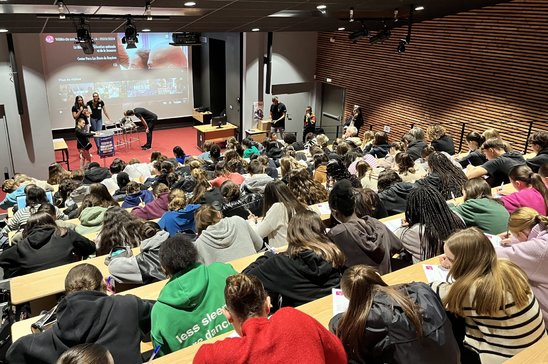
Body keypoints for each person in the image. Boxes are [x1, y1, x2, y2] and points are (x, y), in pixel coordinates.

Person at [431, 228, 546, 364]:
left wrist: (450, 271)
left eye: (450, 259)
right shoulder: (509, 268)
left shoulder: (475, 289)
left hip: (506, 357)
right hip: (536, 345)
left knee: (445, 317)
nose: (448, 262)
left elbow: (437, 291)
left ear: (463, 262)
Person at [7, 264, 154, 364]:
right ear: (104, 287)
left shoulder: (30, 345)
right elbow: (160, 311)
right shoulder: (129, 305)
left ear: (67, 293)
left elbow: (12, 354)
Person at [193, 273, 347, 364]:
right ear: (268, 304)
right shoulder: (293, 318)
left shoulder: (215, 354)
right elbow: (339, 356)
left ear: (228, 315)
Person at [330, 265, 460, 364]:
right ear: (377, 277)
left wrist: (342, 317)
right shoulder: (421, 288)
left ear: (350, 296)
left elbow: (341, 328)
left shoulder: (373, 318)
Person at [151, 234, 237, 356]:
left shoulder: (159, 312)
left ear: (164, 269)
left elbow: (162, 356)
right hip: (241, 352)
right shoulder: (223, 271)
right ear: (195, 255)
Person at [244, 210, 344, 311]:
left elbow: (246, 278)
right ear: (321, 230)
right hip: (333, 311)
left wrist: (269, 255)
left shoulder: (281, 262)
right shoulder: (334, 253)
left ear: (291, 234)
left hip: (300, 318)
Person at [327, 180, 402, 273]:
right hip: (386, 282)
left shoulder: (335, 234)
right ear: (354, 203)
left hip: (358, 286)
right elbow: (398, 246)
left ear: (334, 211)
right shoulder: (377, 224)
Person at [0, 212, 95, 278]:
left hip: (36, 297)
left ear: (28, 228)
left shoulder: (22, 246)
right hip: (72, 282)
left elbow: (3, 260)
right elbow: (90, 248)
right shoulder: (65, 233)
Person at [495, 208, 548, 325]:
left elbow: (493, 255)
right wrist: (515, 241)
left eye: (515, 236)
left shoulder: (539, 248)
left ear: (521, 234)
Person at [395, 186, 465, 262]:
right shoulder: (457, 217)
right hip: (457, 262)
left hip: (427, 269)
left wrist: (406, 226)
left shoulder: (415, 231)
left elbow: (394, 239)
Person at [194, 204, 263, 265]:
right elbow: (259, 245)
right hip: (254, 271)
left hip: (229, 279)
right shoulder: (238, 220)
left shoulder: (199, 243)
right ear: (218, 214)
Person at [248, 180, 308, 248]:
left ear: (268, 197)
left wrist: (251, 222)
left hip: (283, 253)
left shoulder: (278, 208)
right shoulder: (299, 205)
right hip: (300, 249)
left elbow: (258, 234)